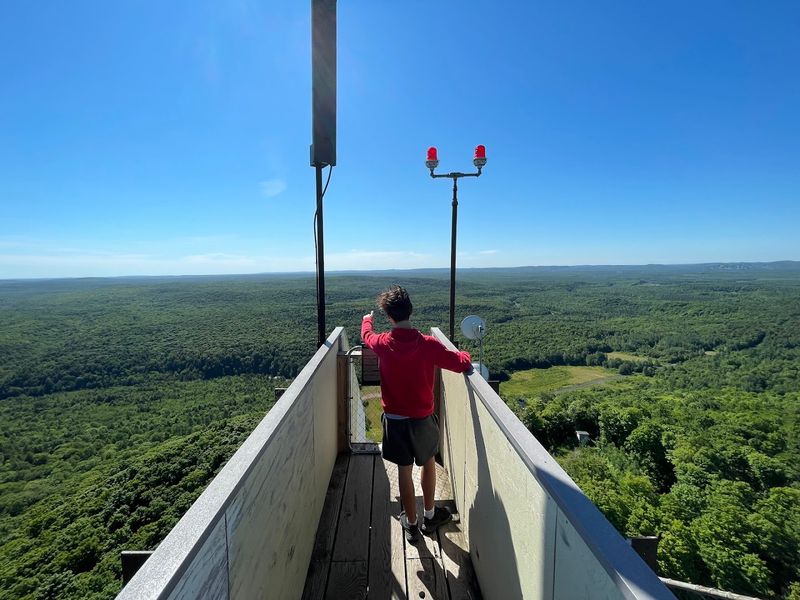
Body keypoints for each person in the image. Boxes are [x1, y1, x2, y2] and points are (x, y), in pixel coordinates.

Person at [361, 285, 472, 543]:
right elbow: (460, 363)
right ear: (410, 310)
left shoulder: (382, 344)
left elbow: (367, 335)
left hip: (395, 421)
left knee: (403, 471)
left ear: (389, 317)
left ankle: (410, 523)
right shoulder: (429, 345)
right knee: (428, 463)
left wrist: (367, 320)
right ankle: (430, 515)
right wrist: (465, 354)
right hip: (423, 418)